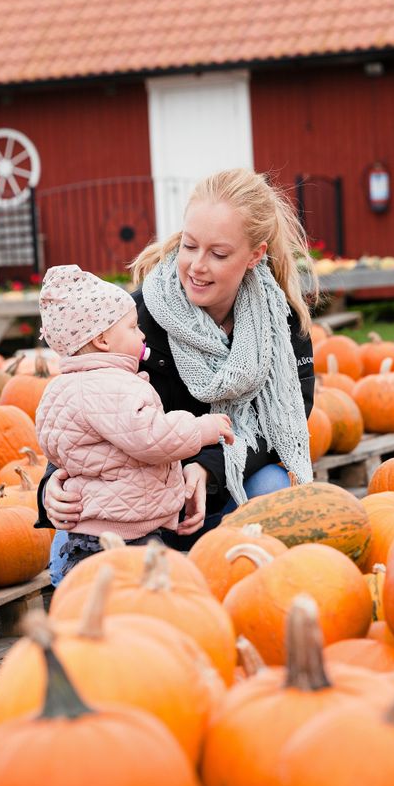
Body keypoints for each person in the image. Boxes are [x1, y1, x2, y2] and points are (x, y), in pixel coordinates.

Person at [37, 168, 317, 584]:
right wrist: (50, 487)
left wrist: (209, 468)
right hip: (129, 507)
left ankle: (248, 588)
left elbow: (282, 425)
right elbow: (81, 407)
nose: (197, 266)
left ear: (254, 256)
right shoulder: (131, 324)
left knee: (273, 486)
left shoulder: (280, 323)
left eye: (218, 254)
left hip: (222, 493)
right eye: (189, 246)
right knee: (77, 562)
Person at [35, 264, 234, 579]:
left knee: (98, 590)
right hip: (122, 530)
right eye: (132, 327)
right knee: (142, 591)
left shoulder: (63, 386)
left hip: (92, 524)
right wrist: (202, 429)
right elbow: (152, 437)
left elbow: (63, 450)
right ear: (102, 340)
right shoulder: (110, 386)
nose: (141, 334)